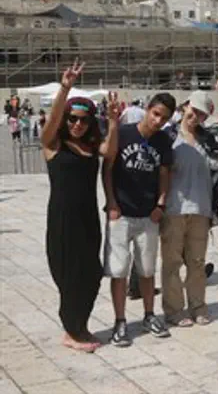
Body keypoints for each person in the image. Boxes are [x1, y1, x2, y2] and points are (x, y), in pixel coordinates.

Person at [41, 60, 119, 353]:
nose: (77, 124)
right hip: (63, 221)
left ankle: (80, 325)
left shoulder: (90, 147)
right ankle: (71, 331)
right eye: (72, 119)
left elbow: (110, 152)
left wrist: (113, 121)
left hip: (88, 219)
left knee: (91, 274)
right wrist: (65, 88)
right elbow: (51, 123)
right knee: (69, 276)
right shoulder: (53, 145)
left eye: (83, 120)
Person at [103, 92, 176, 347]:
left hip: (148, 214)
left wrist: (161, 203)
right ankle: (120, 321)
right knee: (119, 270)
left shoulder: (163, 140)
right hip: (121, 212)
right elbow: (107, 168)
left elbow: (165, 173)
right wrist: (111, 202)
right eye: (155, 114)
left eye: (163, 118)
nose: (157, 121)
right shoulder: (124, 133)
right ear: (147, 109)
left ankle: (149, 314)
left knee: (147, 269)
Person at [160, 91, 216, 327]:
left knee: (197, 263)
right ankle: (174, 310)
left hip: (201, 208)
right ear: (184, 107)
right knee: (172, 263)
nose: (196, 116)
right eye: (194, 110)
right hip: (174, 209)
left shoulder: (208, 141)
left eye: (202, 114)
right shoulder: (168, 137)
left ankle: (198, 306)